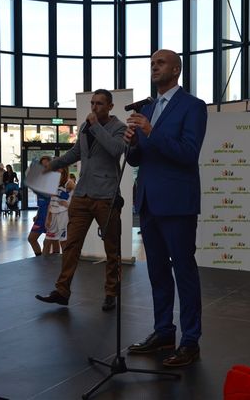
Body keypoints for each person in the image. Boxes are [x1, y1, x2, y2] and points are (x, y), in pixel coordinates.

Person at [123, 49, 208, 367]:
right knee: (157, 271)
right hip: (148, 200)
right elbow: (136, 160)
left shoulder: (193, 106)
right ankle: (163, 332)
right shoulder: (147, 108)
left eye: (160, 63)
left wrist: (150, 132)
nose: (154, 67)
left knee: (184, 271)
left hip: (177, 202)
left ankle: (190, 340)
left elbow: (188, 153)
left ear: (176, 70)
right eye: (151, 64)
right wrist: (132, 143)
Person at [35, 89, 127, 312]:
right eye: (93, 103)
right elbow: (76, 153)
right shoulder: (86, 126)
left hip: (106, 196)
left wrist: (95, 126)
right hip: (82, 195)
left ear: (110, 106)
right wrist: (52, 165)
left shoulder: (119, 127)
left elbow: (116, 150)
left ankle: (111, 292)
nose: (94, 107)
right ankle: (62, 291)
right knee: (71, 245)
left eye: (99, 104)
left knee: (112, 248)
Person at [44, 169, 74, 254]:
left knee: (63, 242)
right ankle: (47, 262)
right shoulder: (53, 182)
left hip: (63, 214)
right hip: (53, 214)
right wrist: (47, 218)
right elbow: (51, 202)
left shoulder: (69, 183)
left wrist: (68, 205)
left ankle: (67, 261)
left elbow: (79, 195)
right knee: (47, 242)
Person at [28, 156, 52, 256]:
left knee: (49, 242)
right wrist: (37, 214)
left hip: (50, 216)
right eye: (42, 164)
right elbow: (41, 202)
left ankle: (49, 261)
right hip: (41, 216)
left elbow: (52, 203)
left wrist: (48, 219)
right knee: (31, 239)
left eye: (46, 164)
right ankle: (40, 258)